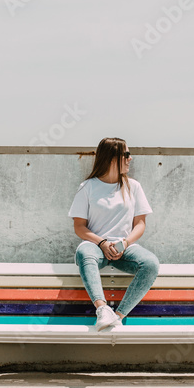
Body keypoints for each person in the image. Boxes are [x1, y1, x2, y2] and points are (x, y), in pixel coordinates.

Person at [68, 137, 160, 331]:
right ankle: (102, 309)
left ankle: (117, 316)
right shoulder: (88, 187)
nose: (130, 159)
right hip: (95, 246)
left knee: (150, 263)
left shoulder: (133, 186)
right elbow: (79, 227)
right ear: (112, 158)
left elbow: (140, 224)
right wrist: (101, 243)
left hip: (124, 248)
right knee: (84, 253)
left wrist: (124, 243)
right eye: (126, 155)